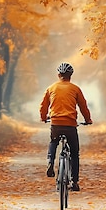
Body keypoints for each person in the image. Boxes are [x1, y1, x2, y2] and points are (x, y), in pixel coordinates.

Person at [39, 62, 92, 191]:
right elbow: (83, 107)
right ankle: (74, 182)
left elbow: (43, 106)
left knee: (53, 142)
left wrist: (43, 118)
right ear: (70, 75)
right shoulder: (75, 89)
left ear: (58, 75)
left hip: (55, 123)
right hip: (70, 125)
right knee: (74, 153)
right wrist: (88, 120)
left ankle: (50, 161)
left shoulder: (51, 88)